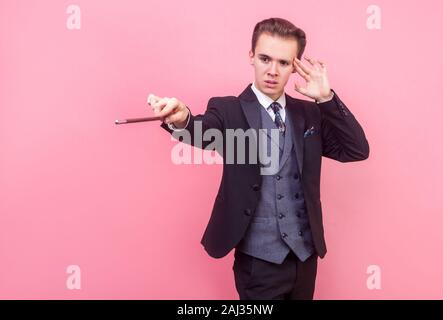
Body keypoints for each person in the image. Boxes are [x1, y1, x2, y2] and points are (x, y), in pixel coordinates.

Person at [148, 17, 369, 300]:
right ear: (251, 56)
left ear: (295, 66)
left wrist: (325, 98)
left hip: (305, 257)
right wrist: (182, 119)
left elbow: (356, 150)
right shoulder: (228, 110)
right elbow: (202, 131)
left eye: (284, 63)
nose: (273, 71)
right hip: (258, 262)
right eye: (265, 58)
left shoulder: (309, 114)